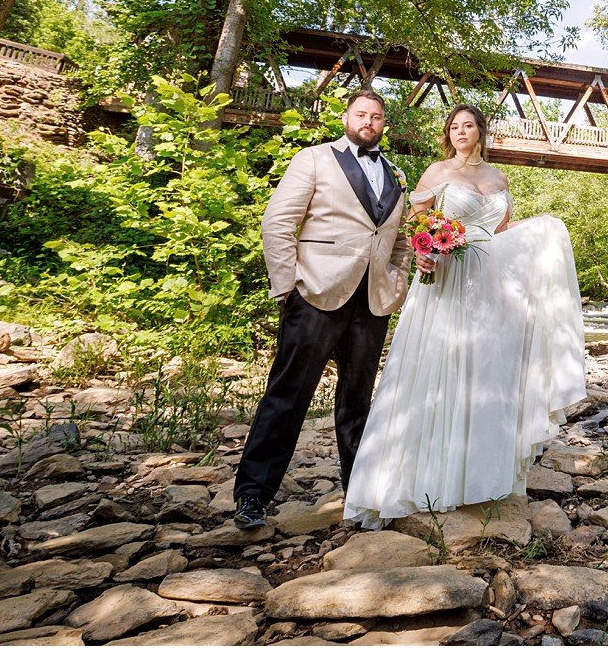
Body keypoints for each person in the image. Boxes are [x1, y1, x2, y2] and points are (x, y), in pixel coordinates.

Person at [344, 103, 587, 525]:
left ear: (480, 131)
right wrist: (425, 252)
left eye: (468, 125)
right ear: (447, 133)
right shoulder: (437, 173)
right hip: (447, 275)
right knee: (437, 366)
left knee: (484, 373)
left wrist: (542, 231)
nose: (460, 132)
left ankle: (473, 476)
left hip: (490, 286)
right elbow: (417, 223)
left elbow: (502, 233)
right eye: (454, 126)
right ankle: (422, 478)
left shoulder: (498, 178)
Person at [233, 90, 413, 530]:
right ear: (346, 117)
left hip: (372, 302)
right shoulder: (313, 159)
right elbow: (277, 222)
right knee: (287, 396)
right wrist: (287, 287)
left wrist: (399, 281)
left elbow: (401, 239)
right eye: (361, 114)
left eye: (376, 116)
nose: (368, 121)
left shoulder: (397, 174)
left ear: (383, 124)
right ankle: (253, 496)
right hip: (315, 294)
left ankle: (361, 497)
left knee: (357, 403)